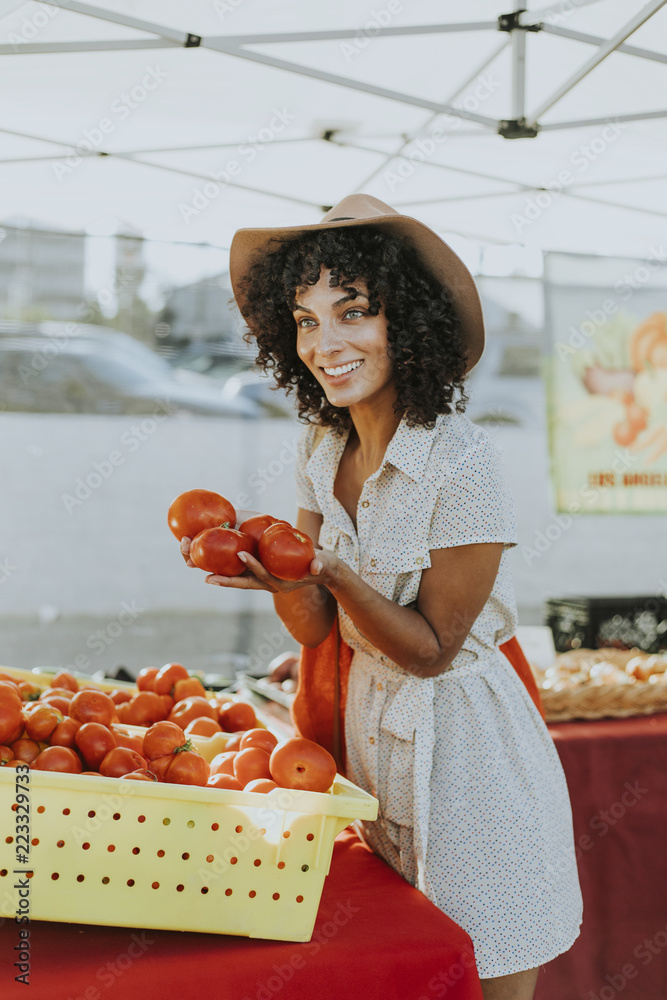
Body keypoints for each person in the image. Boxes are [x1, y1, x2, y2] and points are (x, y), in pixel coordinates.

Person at [186, 194, 582, 1000]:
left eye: (352, 312)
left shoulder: (461, 463)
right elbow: (314, 624)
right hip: (371, 747)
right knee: (403, 973)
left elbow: (431, 651)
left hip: (469, 758)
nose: (323, 344)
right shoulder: (321, 444)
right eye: (303, 320)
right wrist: (282, 577)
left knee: (487, 965)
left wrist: (327, 569)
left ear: (409, 319)